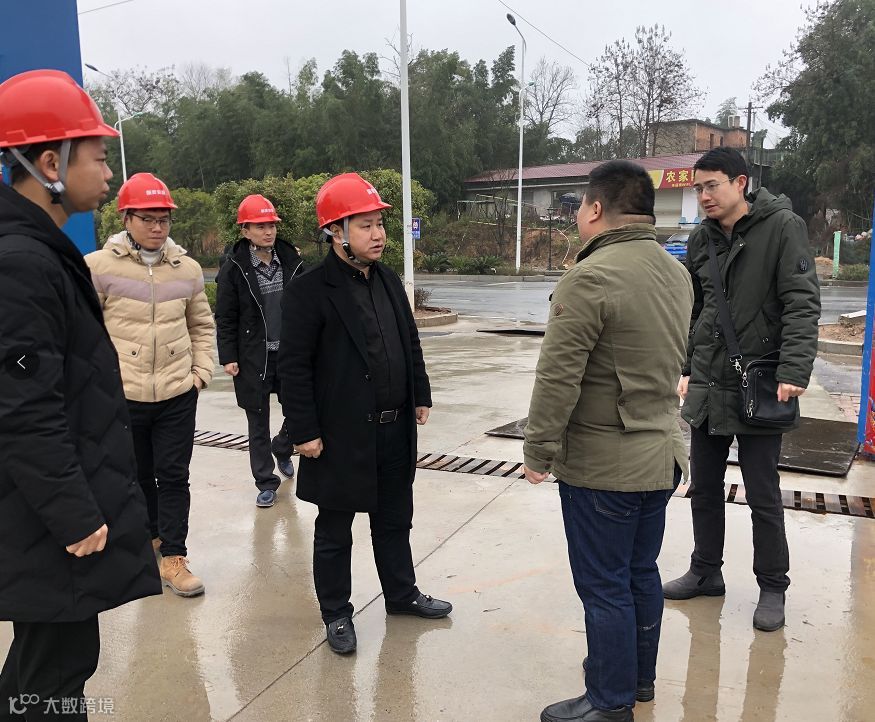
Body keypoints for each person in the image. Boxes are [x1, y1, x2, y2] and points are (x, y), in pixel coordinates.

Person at [0, 69, 161, 720]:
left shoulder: (39, 250)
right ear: (49, 164)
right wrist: (73, 513)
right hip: (49, 521)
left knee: (47, 669)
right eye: (96, 155)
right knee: (53, 680)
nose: (108, 171)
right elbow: (22, 407)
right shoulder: (20, 263)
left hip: (48, 515)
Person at [523, 160, 693, 722]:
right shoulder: (675, 273)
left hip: (604, 465)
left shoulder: (590, 277)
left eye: (579, 206)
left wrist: (538, 450)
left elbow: (558, 377)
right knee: (640, 572)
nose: (578, 215)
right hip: (660, 455)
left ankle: (609, 701)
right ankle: (638, 681)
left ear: (596, 209)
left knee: (604, 586)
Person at [279, 173, 451, 655]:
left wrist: (420, 393)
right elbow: (293, 368)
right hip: (339, 434)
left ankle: (401, 594)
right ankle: (336, 612)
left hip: (394, 429)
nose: (378, 235)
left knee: (395, 519)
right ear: (335, 231)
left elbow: (409, 341)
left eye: (380, 224)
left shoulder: (389, 280)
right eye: (365, 225)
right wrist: (304, 430)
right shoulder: (309, 290)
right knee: (335, 530)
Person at [663, 147, 820, 631]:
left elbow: (801, 303)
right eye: (698, 188)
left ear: (740, 183)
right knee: (704, 488)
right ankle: (705, 571)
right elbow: (695, 310)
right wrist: (686, 366)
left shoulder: (783, 227)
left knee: (762, 494)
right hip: (709, 382)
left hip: (760, 383)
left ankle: (772, 585)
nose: (704, 196)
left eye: (712, 185)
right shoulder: (701, 239)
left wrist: (794, 369)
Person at [85, 172, 216, 598]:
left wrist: (200, 373)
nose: (158, 227)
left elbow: (201, 325)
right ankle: (152, 537)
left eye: (164, 219)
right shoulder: (98, 267)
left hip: (177, 393)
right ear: (126, 218)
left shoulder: (187, 269)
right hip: (125, 395)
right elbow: (85, 332)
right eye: (148, 219)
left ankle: (174, 557)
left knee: (174, 475)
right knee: (136, 475)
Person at [215, 195, 305, 508]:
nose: (268, 231)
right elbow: (225, 317)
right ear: (245, 230)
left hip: (289, 353)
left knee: (299, 409)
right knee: (257, 422)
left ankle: (282, 446)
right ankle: (266, 482)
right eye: (260, 226)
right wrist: (228, 356)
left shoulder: (291, 260)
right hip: (253, 356)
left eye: (271, 225)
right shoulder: (234, 268)